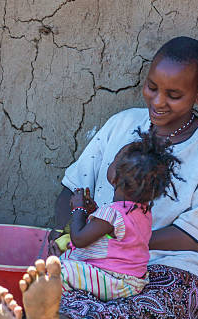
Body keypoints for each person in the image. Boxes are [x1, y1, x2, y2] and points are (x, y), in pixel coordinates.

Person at [0, 36, 198, 319]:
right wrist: (71, 237)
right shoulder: (122, 124)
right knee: (79, 297)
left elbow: (195, 237)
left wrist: (121, 241)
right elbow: (73, 189)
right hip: (101, 257)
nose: (158, 101)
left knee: (135, 313)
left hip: (176, 265)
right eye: (152, 88)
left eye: (174, 95)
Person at [60, 129, 181, 301]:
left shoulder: (112, 213)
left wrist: (77, 209)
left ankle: (46, 313)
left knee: (57, 272)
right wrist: (92, 211)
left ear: (115, 177)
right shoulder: (143, 212)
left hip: (112, 281)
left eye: (113, 161)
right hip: (133, 283)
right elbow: (112, 234)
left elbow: (79, 239)